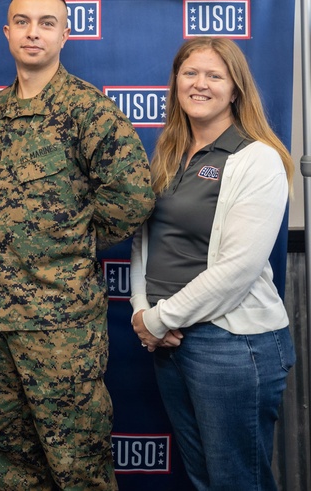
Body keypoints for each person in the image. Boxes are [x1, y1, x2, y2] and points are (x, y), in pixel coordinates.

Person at [0, 0, 154, 490]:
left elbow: (132, 196)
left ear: (65, 34)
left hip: (60, 323)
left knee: (77, 463)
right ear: (7, 33)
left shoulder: (87, 111)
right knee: (3, 460)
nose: (33, 32)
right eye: (22, 21)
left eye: (47, 22)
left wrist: (68, 246)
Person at [130, 37, 294, 490]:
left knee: (237, 482)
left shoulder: (257, 158)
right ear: (176, 82)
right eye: (190, 73)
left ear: (235, 89)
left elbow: (238, 269)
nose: (200, 84)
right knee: (204, 480)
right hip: (171, 343)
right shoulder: (166, 153)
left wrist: (160, 319)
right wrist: (142, 312)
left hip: (232, 346)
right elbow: (145, 240)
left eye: (214, 76)